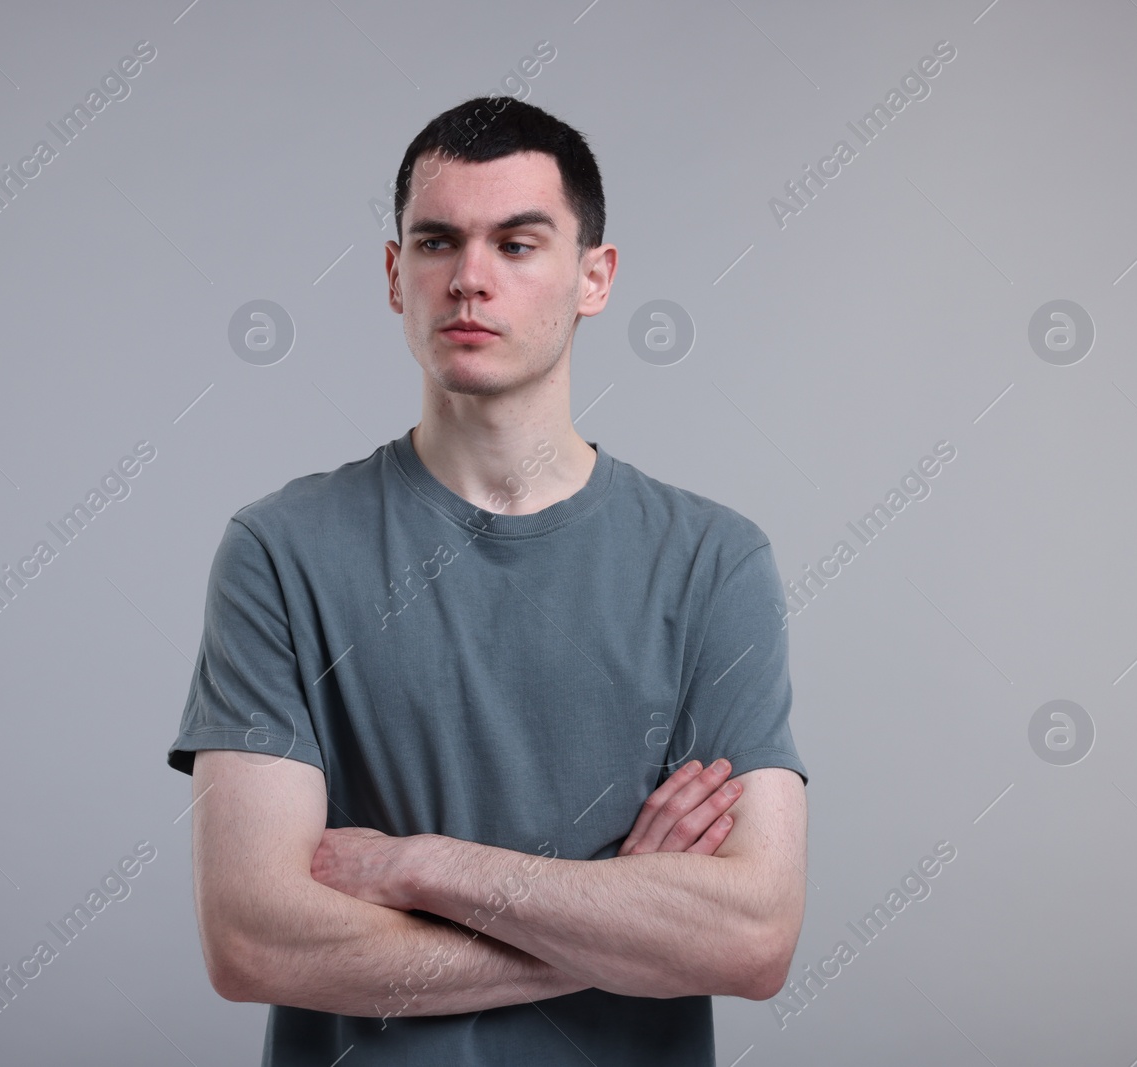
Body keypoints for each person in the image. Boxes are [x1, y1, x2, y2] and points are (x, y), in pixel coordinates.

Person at [166, 94, 809, 1066]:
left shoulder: (714, 561)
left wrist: (418, 865)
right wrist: (617, 920)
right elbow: (253, 938)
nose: (468, 278)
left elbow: (753, 937)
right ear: (394, 274)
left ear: (595, 277)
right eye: (435, 242)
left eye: (517, 244)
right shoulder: (279, 548)